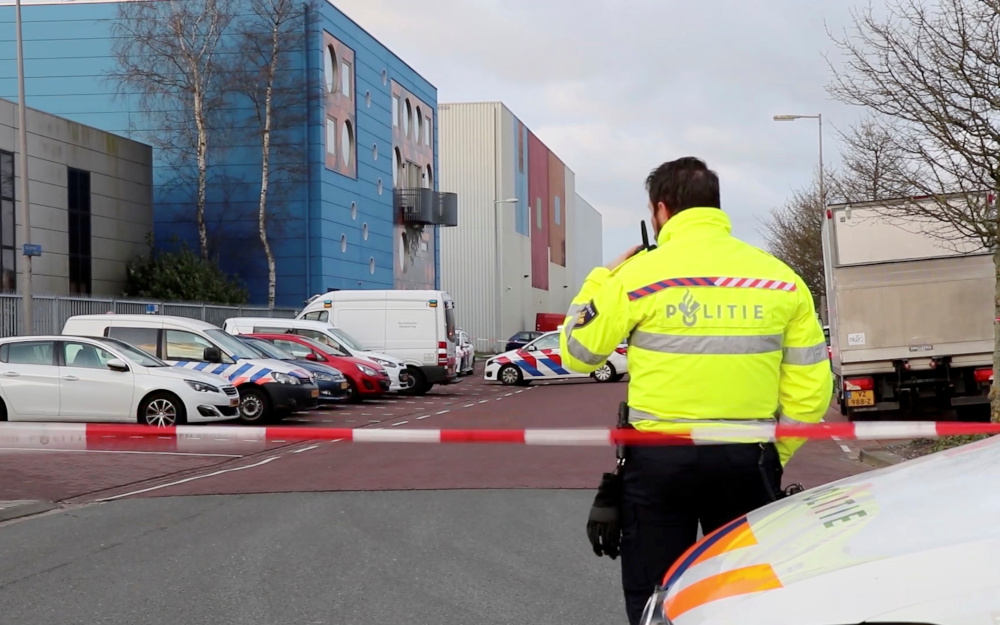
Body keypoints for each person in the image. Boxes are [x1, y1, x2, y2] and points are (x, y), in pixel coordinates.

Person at [559, 156, 832, 625]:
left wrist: (601, 277)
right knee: (748, 594)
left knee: (657, 591)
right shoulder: (781, 279)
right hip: (747, 458)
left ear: (661, 211)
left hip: (659, 461)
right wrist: (776, 452)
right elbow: (810, 389)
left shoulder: (638, 276)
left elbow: (577, 353)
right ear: (715, 206)